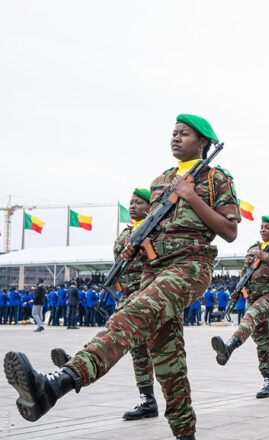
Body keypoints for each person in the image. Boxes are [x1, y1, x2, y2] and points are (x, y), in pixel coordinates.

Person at [4, 114, 239, 440]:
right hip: (152, 271)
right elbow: (158, 230)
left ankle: (57, 384)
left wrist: (191, 195)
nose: (175, 138)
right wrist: (137, 248)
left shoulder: (214, 179)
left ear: (203, 141)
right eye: (173, 133)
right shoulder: (161, 181)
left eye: (184, 134)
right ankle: (186, 434)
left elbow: (229, 231)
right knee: (169, 363)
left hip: (189, 267)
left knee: (131, 314)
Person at [50, 187, 161, 421]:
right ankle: (147, 400)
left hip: (150, 295)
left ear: (150, 207)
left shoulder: (157, 231)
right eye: (131, 202)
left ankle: (81, 360)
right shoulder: (124, 234)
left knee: (134, 338)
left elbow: (157, 262)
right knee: (137, 351)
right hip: (128, 295)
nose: (133, 206)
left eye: (139, 202)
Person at [210, 215, 269, 399]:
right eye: (262, 227)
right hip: (253, 297)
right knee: (262, 342)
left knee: (251, 316)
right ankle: (268, 383)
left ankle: (229, 346)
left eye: (268, 227)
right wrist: (239, 290)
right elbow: (245, 274)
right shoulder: (252, 250)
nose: (263, 229)